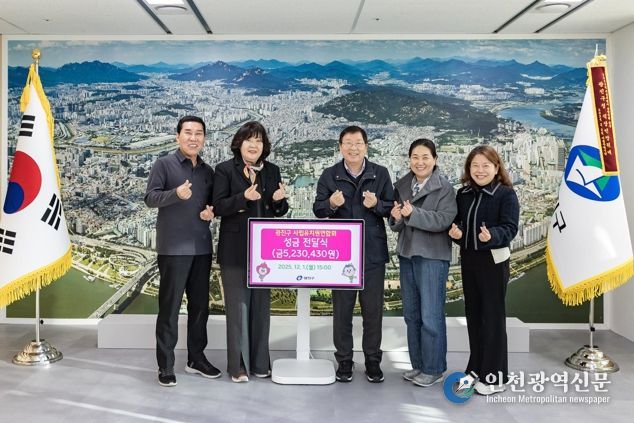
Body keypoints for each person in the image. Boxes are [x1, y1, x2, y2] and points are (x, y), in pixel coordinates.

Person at [313, 125, 394, 383]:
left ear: (366, 146)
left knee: (373, 312)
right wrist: (330, 204)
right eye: (348, 143)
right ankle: (344, 361)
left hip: (372, 253)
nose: (353, 148)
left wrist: (377, 204)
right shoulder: (330, 175)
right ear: (340, 147)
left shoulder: (380, 173)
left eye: (358, 143)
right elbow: (318, 210)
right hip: (341, 255)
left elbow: (391, 208)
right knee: (342, 312)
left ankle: (372, 361)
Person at [144, 115, 220, 387]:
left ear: (204, 138)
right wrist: (175, 194)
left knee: (200, 308)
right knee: (170, 308)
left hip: (201, 247)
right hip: (173, 248)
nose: (193, 138)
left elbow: (213, 205)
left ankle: (196, 359)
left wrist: (211, 212)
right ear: (178, 136)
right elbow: (150, 198)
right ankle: (165, 366)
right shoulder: (164, 164)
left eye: (198, 133)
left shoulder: (208, 172)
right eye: (188, 132)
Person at [212, 121, 289, 383]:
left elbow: (279, 211)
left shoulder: (272, 170)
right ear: (239, 144)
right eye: (249, 140)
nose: (254, 145)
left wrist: (278, 201)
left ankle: (260, 363)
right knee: (238, 308)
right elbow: (219, 207)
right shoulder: (225, 170)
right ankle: (238, 366)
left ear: (264, 146)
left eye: (259, 140)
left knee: (261, 308)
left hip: (265, 251)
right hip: (235, 249)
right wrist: (243, 198)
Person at [448, 145, 519, 396]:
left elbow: (510, 228)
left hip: (494, 262)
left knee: (493, 318)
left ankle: (496, 376)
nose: (480, 170)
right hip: (469, 260)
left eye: (485, 165)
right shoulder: (463, 194)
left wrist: (493, 236)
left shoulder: (505, 194)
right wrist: (456, 232)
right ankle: (476, 368)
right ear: (469, 169)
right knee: (474, 315)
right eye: (475, 165)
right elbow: (459, 224)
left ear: (496, 168)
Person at [389, 139, 456, 388]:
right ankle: (418, 364)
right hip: (407, 254)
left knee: (431, 315)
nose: (420, 162)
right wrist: (395, 218)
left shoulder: (445, 188)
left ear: (435, 160)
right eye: (415, 157)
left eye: (425, 157)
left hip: (432, 256)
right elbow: (397, 224)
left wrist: (412, 214)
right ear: (409, 160)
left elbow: (444, 220)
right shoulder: (403, 185)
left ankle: (434, 368)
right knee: (412, 315)